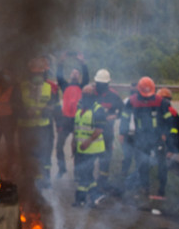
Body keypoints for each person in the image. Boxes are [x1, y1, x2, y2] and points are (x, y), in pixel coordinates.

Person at [118, 76, 172, 205]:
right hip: (141, 137)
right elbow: (125, 117)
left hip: (157, 137)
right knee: (142, 163)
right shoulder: (132, 101)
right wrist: (122, 133)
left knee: (162, 164)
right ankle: (145, 188)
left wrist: (167, 134)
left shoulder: (161, 102)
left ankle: (161, 191)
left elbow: (170, 119)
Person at [15, 56, 59, 189]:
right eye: (34, 72)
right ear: (29, 72)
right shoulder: (21, 87)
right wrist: (25, 112)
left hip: (43, 127)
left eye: (40, 72)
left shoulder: (50, 87)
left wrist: (42, 111)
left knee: (42, 153)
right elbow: (15, 106)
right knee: (25, 153)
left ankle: (43, 179)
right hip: (25, 127)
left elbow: (55, 107)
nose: (37, 75)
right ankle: (27, 179)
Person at [55, 52, 89, 178]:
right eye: (73, 72)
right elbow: (59, 77)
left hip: (77, 120)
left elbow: (87, 77)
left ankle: (77, 171)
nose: (75, 74)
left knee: (77, 147)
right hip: (65, 120)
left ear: (79, 76)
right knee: (59, 146)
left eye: (77, 73)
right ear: (70, 75)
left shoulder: (82, 86)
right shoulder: (65, 86)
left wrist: (82, 62)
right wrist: (61, 62)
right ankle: (62, 168)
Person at [72, 84, 106, 207]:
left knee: (84, 171)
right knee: (85, 173)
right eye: (84, 93)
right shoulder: (80, 107)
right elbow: (76, 127)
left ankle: (81, 199)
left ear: (93, 95)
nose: (85, 96)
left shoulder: (98, 109)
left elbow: (99, 129)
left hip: (93, 148)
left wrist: (88, 141)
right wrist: (74, 141)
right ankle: (95, 196)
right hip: (82, 148)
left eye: (88, 93)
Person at [92, 68, 123, 192]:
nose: (100, 86)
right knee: (90, 156)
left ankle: (102, 181)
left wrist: (114, 116)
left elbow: (123, 111)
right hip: (92, 131)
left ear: (107, 84)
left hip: (107, 132)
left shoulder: (114, 95)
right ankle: (88, 180)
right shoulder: (91, 93)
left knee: (106, 157)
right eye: (98, 84)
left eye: (103, 84)